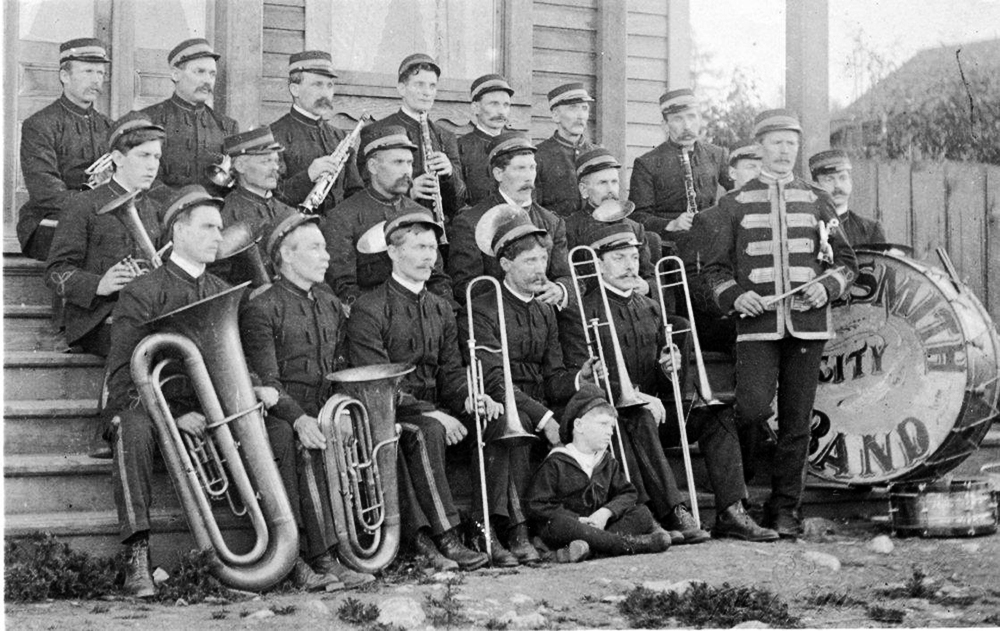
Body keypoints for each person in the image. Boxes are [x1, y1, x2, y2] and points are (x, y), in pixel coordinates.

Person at [559, 224, 778, 543]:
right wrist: (637, 397)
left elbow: (666, 386)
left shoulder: (650, 307)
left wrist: (669, 369)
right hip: (616, 421)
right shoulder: (579, 311)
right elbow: (583, 381)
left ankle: (731, 510)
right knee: (640, 414)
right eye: (619, 258)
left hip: (651, 413)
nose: (630, 265)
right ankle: (673, 511)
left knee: (717, 415)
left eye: (634, 257)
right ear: (599, 265)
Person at [701, 109, 858, 538]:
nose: (784, 151)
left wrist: (827, 287)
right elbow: (713, 271)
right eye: (776, 143)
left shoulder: (817, 199)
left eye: (791, 143)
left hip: (808, 327)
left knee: (796, 421)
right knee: (750, 410)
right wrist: (736, 296)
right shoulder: (732, 204)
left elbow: (847, 263)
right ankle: (740, 499)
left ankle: (786, 508)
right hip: (757, 328)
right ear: (761, 147)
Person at [346, 213, 494, 571]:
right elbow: (377, 384)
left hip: (433, 406)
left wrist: (470, 397)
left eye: (432, 248)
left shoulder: (441, 307)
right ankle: (445, 536)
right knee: (428, 431)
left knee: (492, 420)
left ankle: (496, 530)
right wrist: (433, 412)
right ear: (394, 253)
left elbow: (452, 374)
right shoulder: (369, 308)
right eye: (419, 247)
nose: (430, 256)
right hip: (390, 411)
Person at [103, 186, 231, 597]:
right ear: (178, 229)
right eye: (208, 227)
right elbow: (123, 374)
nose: (218, 236)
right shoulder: (143, 291)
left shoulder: (220, 289)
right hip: (153, 409)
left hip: (207, 408)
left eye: (220, 228)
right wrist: (172, 417)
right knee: (132, 427)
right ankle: (137, 559)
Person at [240, 211, 375, 590]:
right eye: (316, 248)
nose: (327, 256)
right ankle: (308, 557)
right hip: (282, 413)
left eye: (325, 247)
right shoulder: (262, 307)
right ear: (286, 254)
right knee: (298, 442)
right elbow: (268, 382)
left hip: (323, 408)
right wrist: (300, 419)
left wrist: (343, 409)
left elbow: (341, 368)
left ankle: (339, 553)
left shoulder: (331, 303)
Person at [461, 205, 602, 564]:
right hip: (504, 400)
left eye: (542, 259)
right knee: (519, 428)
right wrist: (544, 419)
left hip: (537, 399)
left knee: (592, 411)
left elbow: (553, 376)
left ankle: (578, 522)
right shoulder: (483, 307)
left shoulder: (544, 309)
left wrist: (577, 379)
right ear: (505, 265)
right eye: (529, 262)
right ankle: (516, 529)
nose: (540, 269)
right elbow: (493, 379)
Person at [45, 118, 166, 357]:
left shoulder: (153, 208)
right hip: (97, 318)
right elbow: (55, 271)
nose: (153, 166)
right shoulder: (82, 204)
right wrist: (99, 284)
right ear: (118, 159)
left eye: (157, 157)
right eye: (143, 156)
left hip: (143, 310)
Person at [526, 384, 673, 560]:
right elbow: (537, 505)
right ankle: (627, 545)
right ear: (579, 425)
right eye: (603, 424)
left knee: (642, 513)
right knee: (559, 524)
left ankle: (583, 550)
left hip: (598, 528)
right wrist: (578, 520)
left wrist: (605, 513)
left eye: (611, 426)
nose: (609, 432)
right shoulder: (557, 462)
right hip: (571, 527)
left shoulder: (606, 461)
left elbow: (628, 493)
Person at [323, 125, 452, 305]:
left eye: (409, 163)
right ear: (373, 166)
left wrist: (442, 310)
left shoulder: (421, 213)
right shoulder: (343, 216)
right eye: (398, 162)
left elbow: (437, 277)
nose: (407, 171)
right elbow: (343, 285)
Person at [447, 133, 571, 308]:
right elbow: (464, 285)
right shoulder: (471, 221)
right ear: (498, 173)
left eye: (532, 168)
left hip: (543, 320)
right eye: (520, 168)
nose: (529, 176)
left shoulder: (551, 222)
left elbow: (566, 276)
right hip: (497, 322)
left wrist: (560, 289)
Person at [17, 38, 113, 261]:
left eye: (100, 73)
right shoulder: (40, 124)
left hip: (97, 216)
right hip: (48, 219)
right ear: (64, 76)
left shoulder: (109, 126)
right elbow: (46, 193)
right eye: (88, 71)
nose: (96, 80)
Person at [359, 53, 466, 219]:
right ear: (401, 88)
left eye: (432, 86)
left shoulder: (445, 136)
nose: (427, 93)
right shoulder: (376, 131)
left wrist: (450, 174)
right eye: (419, 85)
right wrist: (409, 191)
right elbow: (363, 191)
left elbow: (458, 202)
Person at [629, 88, 733, 256]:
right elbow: (638, 217)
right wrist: (671, 224)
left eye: (692, 117)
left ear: (699, 119)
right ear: (665, 125)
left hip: (711, 239)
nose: (687, 126)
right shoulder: (646, 163)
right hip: (672, 248)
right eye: (678, 119)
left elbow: (737, 191)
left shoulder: (717, 154)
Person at [685, 142, 764, 354]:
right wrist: (733, 301)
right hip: (725, 315)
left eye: (762, 167)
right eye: (750, 167)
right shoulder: (709, 218)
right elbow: (696, 278)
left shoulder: (774, 218)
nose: (758, 174)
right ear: (731, 172)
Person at [271, 50, 364, 216]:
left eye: (330, 85)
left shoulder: (340, 137)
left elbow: (354, 191)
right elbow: (271, 197)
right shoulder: (274, 135)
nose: (325, 93)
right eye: (317, 85)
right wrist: (308, 176)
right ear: (295, 89)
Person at [138, 38, 238, 191]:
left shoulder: (227, 126)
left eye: (212, 74)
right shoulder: (147, 120)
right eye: (200, 72)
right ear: (176, 74)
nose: (207, 81)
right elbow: (142, 178)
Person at [563, 147, 657, 295]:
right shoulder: (570, 228)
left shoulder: (635, 228)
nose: (610, 190)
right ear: (584, 190)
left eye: (614, 182)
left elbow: (649, 275)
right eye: (602, 183)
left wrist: (647, 286)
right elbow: (569, 278)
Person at [533, 83, 596, 217]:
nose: (580, 116)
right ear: (556, 115)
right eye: (573, 108)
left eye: (584, 108)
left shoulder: (597, 155)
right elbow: (534, 211)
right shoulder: (538, 156)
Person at [808, 149, 886, 247]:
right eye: (829, 179)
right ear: (816, 186)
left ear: (851, 182)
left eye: (843, 178)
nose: (837, 185)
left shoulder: (870, 230)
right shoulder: (807, 227)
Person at [457, 73, 514, 206]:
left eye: (506, 105)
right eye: (494, 104)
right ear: (475, 108)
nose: (501, 112)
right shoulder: (461, 147)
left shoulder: (517, 145)